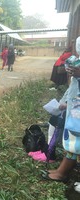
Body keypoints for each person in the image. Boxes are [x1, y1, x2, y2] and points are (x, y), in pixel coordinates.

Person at [42, 36, 80, 182]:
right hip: (75, 109)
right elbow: (73, 88)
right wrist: (65, 102)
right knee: (73, 141)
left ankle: (62, 173)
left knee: (75, 141)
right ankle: (61, 171)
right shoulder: (76, 62)